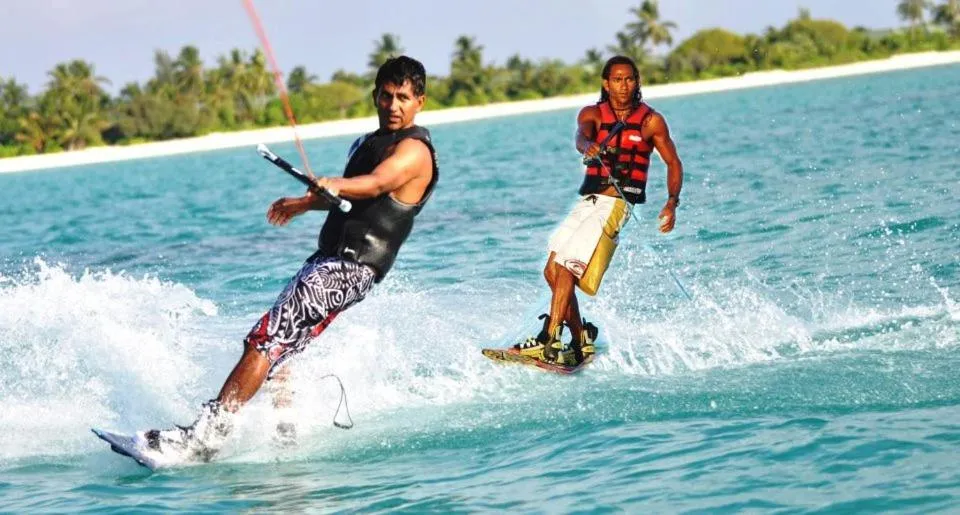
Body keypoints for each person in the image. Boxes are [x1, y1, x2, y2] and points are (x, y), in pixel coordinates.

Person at [143, 55, 438, 461]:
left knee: (266, 339)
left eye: (403, 97)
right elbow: (349, 198)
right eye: (386, 96)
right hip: (327, 261)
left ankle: (205, 438)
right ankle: (284, 436)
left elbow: (375, 185)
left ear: (420, 101)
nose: (394, 105)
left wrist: (334, 182)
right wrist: (305, 203)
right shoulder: (367, 143)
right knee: (282, 351)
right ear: (375, 96)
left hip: (351, 269)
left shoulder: (415, 151)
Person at [514, 55, 683, 365]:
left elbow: (673, 162)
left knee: (566, 268)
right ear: (606, 83)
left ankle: (550, 340)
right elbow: (582, 134)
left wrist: (672, 202)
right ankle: (580, 338)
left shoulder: (651, 121)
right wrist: (587, 145)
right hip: (589, 201)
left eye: (630, 79)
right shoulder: (592, 113)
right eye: (617, 79)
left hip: (617, 204)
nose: (624, 85)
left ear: (637, 82)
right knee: (552, 270)